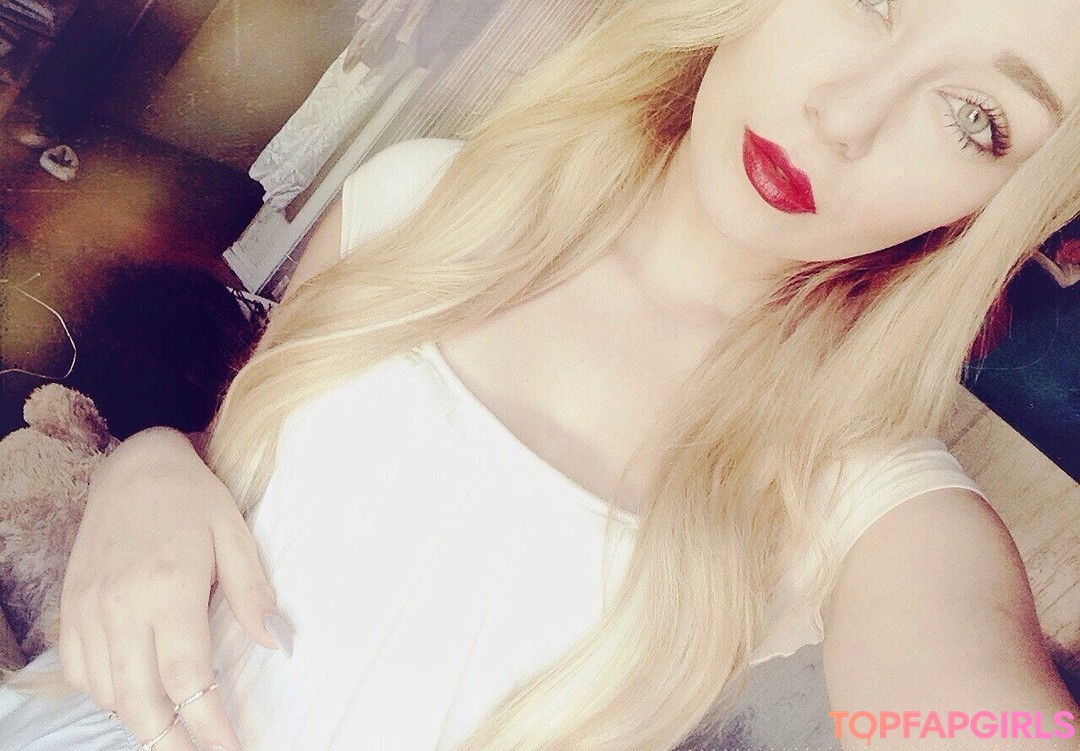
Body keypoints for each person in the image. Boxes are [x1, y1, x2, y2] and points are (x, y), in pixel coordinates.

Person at [3, 0, 1080, 748]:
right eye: (869, 1)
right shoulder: (416, 201)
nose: (845, 118)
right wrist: (150, 464)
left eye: (977, 118)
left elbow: (973, 714)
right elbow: (247, 472)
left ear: (1004, 208)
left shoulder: (868, 496)